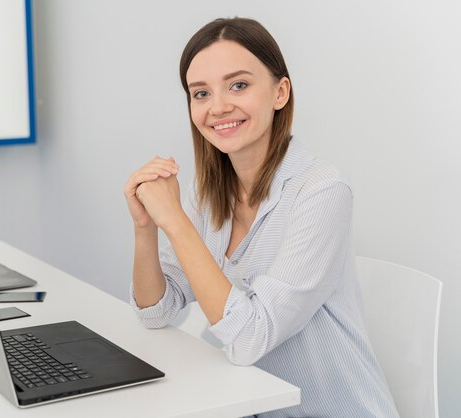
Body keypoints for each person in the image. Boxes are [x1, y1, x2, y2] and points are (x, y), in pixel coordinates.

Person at [123, 17, 399, 417]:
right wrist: (145, 227)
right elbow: (156, 311)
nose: (218, 107)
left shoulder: (321, 191)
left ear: (279, 92)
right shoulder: (211, 195)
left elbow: (250, 337)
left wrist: (175, 221)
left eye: (238, 85)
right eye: (200, 93)